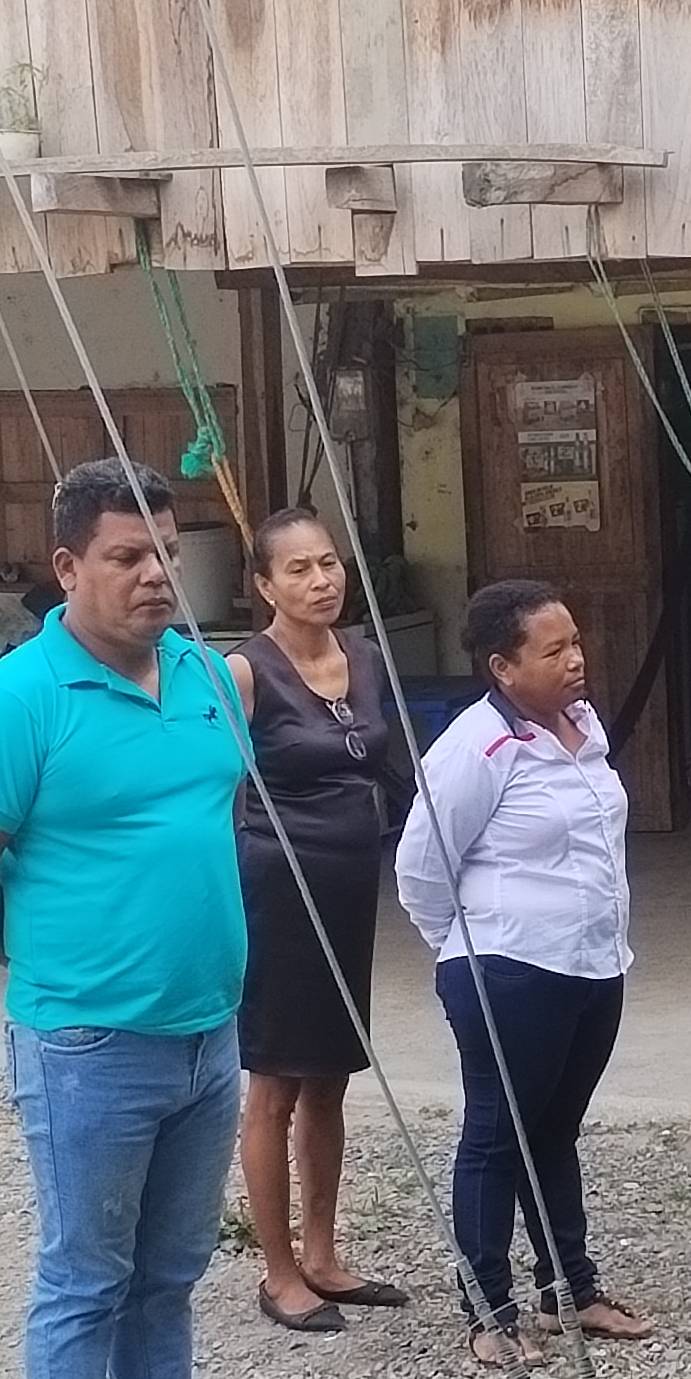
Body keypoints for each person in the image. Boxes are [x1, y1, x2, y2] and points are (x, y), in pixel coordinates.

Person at [0, 459, 290, 1379]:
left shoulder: (211, 678)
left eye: (167, 552)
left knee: (169, 1271)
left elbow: (211, 817)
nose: (154, 575)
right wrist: (50, 960)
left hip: (207, 1032)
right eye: (127, 556)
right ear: (67, 566)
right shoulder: (16, 703)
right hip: (87, 1044)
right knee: (86, 1276)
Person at [400, 580, 653, 1368]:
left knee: (554, 1129)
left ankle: (570, 1288)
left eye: (575, 642)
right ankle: (489, 1309)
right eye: (554, 651)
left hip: (593, 962)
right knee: (496, 1134)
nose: (576, 659)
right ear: (503, 667)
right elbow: (420, 867)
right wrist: (467, 949)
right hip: (509, 969)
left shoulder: (584, 725)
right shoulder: (476, 747)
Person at [229, 506, 418, 1335]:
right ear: (265, 585)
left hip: (349, 884)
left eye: (329, 563)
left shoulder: (365, 657)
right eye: (299, 569)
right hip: (277, 885)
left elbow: (393, 767)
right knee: (275, 1079)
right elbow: (212, 786)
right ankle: (277, 1270)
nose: (321, 581)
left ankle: (323, 1251)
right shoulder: (245, 672)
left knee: (331, 1074)